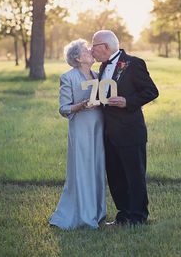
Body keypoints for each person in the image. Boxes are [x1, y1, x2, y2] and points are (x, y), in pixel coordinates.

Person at [91, 30, 159, 226]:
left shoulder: (134, 63)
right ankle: (123, 214)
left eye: (93, 45)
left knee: (134, 175)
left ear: (105, 46)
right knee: (115, 176)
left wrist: (127, 101)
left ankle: (138, 217)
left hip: (130, 131)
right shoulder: (103, 67)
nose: (91, 49)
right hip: (109, 133)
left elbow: (151, 91)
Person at [49, 39, 106, 230]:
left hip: (99, 128)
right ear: (77, 58)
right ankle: (83, 215)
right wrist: (81, 105)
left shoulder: (99, 75)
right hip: (81, 128)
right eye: (86, 50)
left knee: (97, 168)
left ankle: (97, 213)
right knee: (82, 170)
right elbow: (63, 109)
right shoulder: (68, 77)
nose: (90, 50)